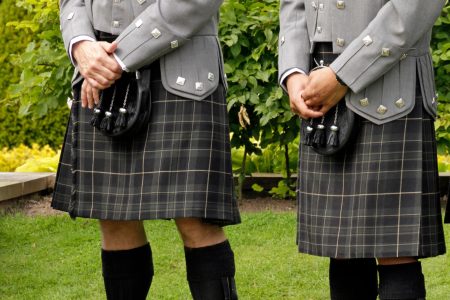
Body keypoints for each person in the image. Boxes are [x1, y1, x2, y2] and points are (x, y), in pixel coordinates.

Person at [52, 0, 240, 299]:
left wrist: (119, 57)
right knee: (114, 219)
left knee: (196, 221)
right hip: (100, 72)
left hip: (181, 74)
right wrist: (82, 45)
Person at [278, 1, 446, 299]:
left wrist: (343, 74)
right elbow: (294, 5)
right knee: (341, 248)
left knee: (396, 250)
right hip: (320, 78)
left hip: (392, 79)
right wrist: (293, 72)